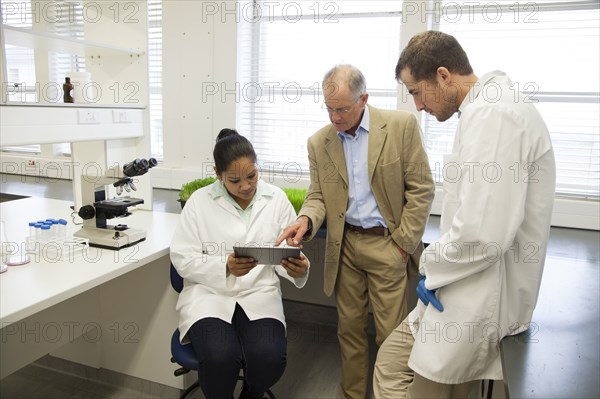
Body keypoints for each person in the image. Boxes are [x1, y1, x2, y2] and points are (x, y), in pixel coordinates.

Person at [373, 31, 556, 398]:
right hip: (462, 286)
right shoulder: (485, 110)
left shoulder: (494, 115)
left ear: (443, 75)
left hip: (478, 297)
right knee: (391, 365)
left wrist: (429, 264)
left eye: (415, 92)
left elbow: (482, 234)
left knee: (410, 379)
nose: (418, 107)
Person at [276, 64, 435, 398]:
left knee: (391, 336)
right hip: (345, 245)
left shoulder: (401, 127)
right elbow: (318, 195)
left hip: (388, 245)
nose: (335, 117)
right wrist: (304, 220)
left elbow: (421, 189)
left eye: (343, 109)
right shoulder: (319, 142)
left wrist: (403, 244)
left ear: (364, 98)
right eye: (330, 108)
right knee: (349, 330)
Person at [170, 128, 310, 399]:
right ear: (218, 174)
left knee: (270, 357)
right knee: (220, 357)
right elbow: (182, 257)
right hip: (208, 295)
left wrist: (299, 267)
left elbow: (287, 249)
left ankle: (251, 394)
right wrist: (224, 267)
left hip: (258, 293)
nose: (246, 186)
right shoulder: (199, 202)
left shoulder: (276, 199)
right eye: (234, 180)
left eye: (252, 176)